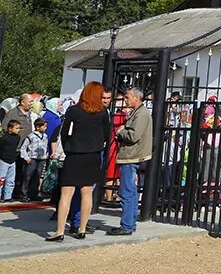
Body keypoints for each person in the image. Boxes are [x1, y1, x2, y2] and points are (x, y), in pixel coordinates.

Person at [47, 81, 111, 241]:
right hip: (93, 155)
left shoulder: (74, 110)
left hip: (75, 154)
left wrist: (69, 147)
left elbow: (65, 132)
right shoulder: (102, 112)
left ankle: (60, 231)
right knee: (87, 192)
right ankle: (82, 228)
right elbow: (106, 134)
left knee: (66, 194)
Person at [109, 87, 152, 236]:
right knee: (131, 192)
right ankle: (129, 223)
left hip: (131, 156)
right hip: (131, 155)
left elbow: (134, 136)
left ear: (136, 98)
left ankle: (127, 225)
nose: (125, 100)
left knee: (127, 192)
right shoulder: (138, 112)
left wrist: (121, 131)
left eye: (127, 97)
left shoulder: (141, 114)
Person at [20, 118, 50, 202]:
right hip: (32, 159)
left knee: (37, 176)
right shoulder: (31, 136)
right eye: (44, 126)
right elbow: (23, 148)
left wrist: (46, 153)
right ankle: (24, 194)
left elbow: (45, 146)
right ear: (37, 127)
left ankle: (34, 193)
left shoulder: (45, 136)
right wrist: (26, 158)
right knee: (28, 176)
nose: (45, 128)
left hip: (41, 159)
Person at [1, 119, 22, 201]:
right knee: (1, 180)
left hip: (12, 161)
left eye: (19, 128)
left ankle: (7, 196)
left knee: (11, 180)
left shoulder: (17, 137)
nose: (18, 130)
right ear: (10, 128)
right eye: (16, 128)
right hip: (4, 161)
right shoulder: (4, 138)